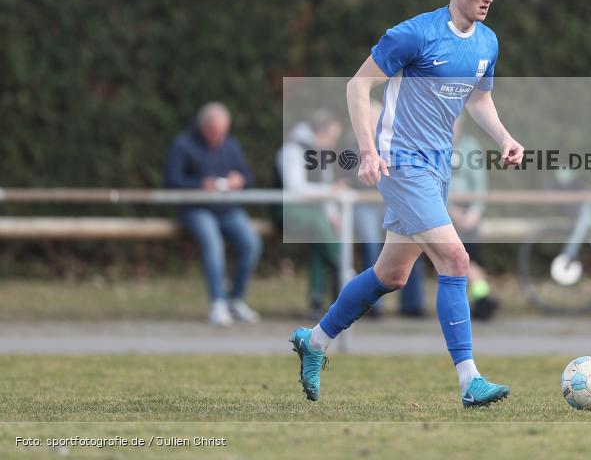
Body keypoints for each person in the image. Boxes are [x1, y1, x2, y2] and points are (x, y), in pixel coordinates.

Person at [290, 0, 524, 407]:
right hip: (400, 164)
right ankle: (469, 381)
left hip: (438, 169)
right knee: (455, 259)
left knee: (392, 275)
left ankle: (314, 341)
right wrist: (368, 150)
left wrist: (504, 138)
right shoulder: (414, 34)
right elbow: (358, 86)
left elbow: (479, 100)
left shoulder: (487, 42)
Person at [164, 102, 262, 326]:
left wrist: (240, 180)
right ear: (203, 127)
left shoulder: (231, 145)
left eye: (222, 132)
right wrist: (199, 184)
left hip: (227, 208)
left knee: (251, 243)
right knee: (212, 242)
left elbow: (248, 177)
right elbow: (171, 180)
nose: (218, 138)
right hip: (196, 208)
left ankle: (235, 299)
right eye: (214, 132)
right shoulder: (183, 145)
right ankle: (217, 301)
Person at [346, 99, 425, 318]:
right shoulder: (353, 146)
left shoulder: (397, 143)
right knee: (372, 246)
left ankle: (413, 305)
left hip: (392, 204)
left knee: (412, 247)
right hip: (364, 206)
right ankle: (371, 306)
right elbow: (353, 179)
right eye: (372, 117)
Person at [276, 109, 344, 320]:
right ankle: (341, 270)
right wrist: (330, 192)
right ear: (320, 133)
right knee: (319, 228)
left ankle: (318, 301)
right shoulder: (292, 149)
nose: (333, 143)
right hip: (287, 210)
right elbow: (295, 188)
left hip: (315, 214)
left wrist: (333, 214)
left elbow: (325, 191)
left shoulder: (322, 154)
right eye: (332, 137)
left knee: (320, 237)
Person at [449, 116, 499, 320]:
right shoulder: (433, 147)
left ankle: (480, 298)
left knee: (469, 259)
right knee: (455, 261)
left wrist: (474, 212)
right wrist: (449, 209)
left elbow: (480, 183)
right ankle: (480, 298)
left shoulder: (470, 146)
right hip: (442, 211)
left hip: (468, 212)